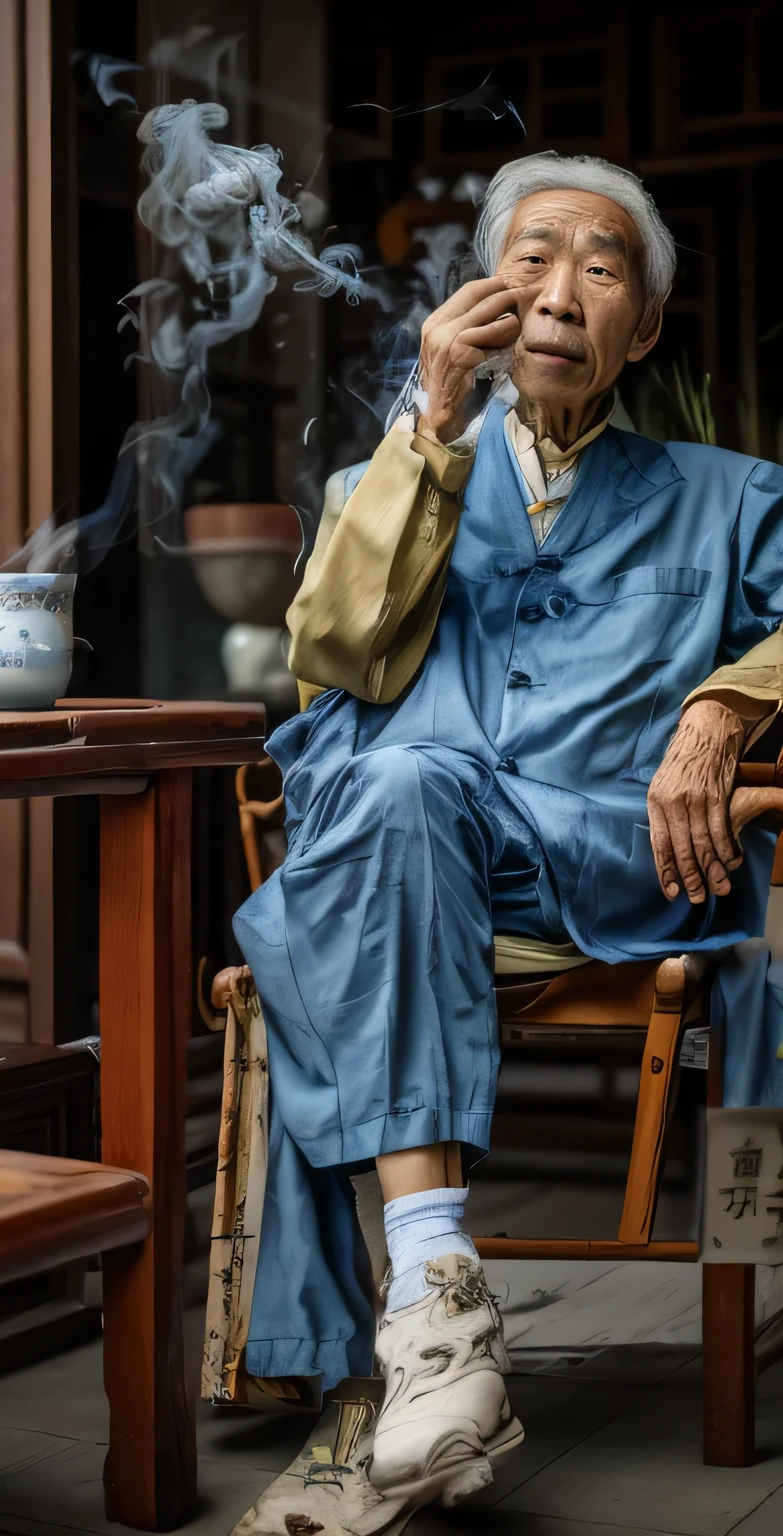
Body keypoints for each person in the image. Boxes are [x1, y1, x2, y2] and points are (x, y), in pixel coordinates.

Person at [231, 150, 783, 1513]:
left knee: (369, 831)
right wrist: (430, 415)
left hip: (616, 856)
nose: (561, 288)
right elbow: (335, 660)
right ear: (483, 292)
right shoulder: (411, 467)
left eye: (602, 268)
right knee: (401, 780)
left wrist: (723, 709)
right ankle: (440, 1312)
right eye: (532, 257)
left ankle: (416, 1325)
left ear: (640, 329)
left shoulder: (731, 490)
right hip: (427, 849)